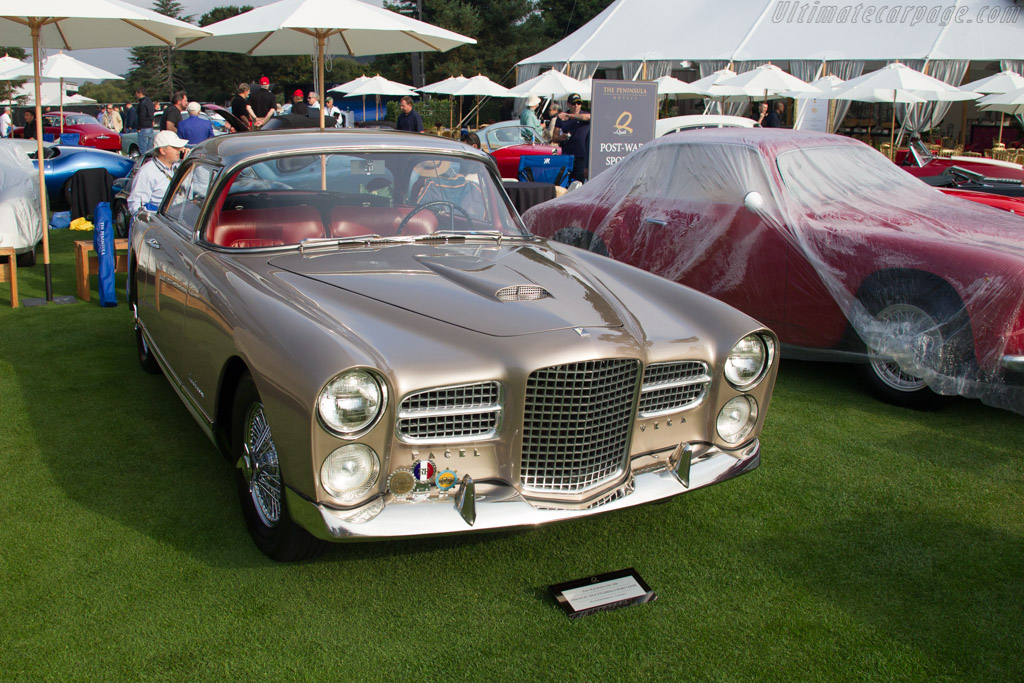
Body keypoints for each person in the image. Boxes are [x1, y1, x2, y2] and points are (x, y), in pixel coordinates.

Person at [127, 130, 188, 214]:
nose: (180, 149)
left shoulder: (180, 166)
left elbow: (201, 187)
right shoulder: (147, 172)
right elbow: (136, 206)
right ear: (162, 151)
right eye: (175, 147)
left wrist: (190, 159)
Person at [555, 93, 591, 182]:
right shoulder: (561, 117)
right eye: (573, 104)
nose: (576, 106)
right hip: (567, 156)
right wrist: (561, 137)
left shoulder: (584, 115)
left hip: (581, 157)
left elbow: (589, 117)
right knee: (564, 182)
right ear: (568, 104)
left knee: (580, 184)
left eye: (579, 103)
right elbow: (554, 137)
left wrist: (570, 116)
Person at [136, 88, 155, 155]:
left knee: (143, 149)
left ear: (140, 93)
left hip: (143, 127)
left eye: (137, 94)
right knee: (149, 149)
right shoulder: (149, 102)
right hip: (150, 127)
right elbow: (151, 113)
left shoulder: (142, 103)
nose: (136, 95)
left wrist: (138, 127)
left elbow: (141, 116)